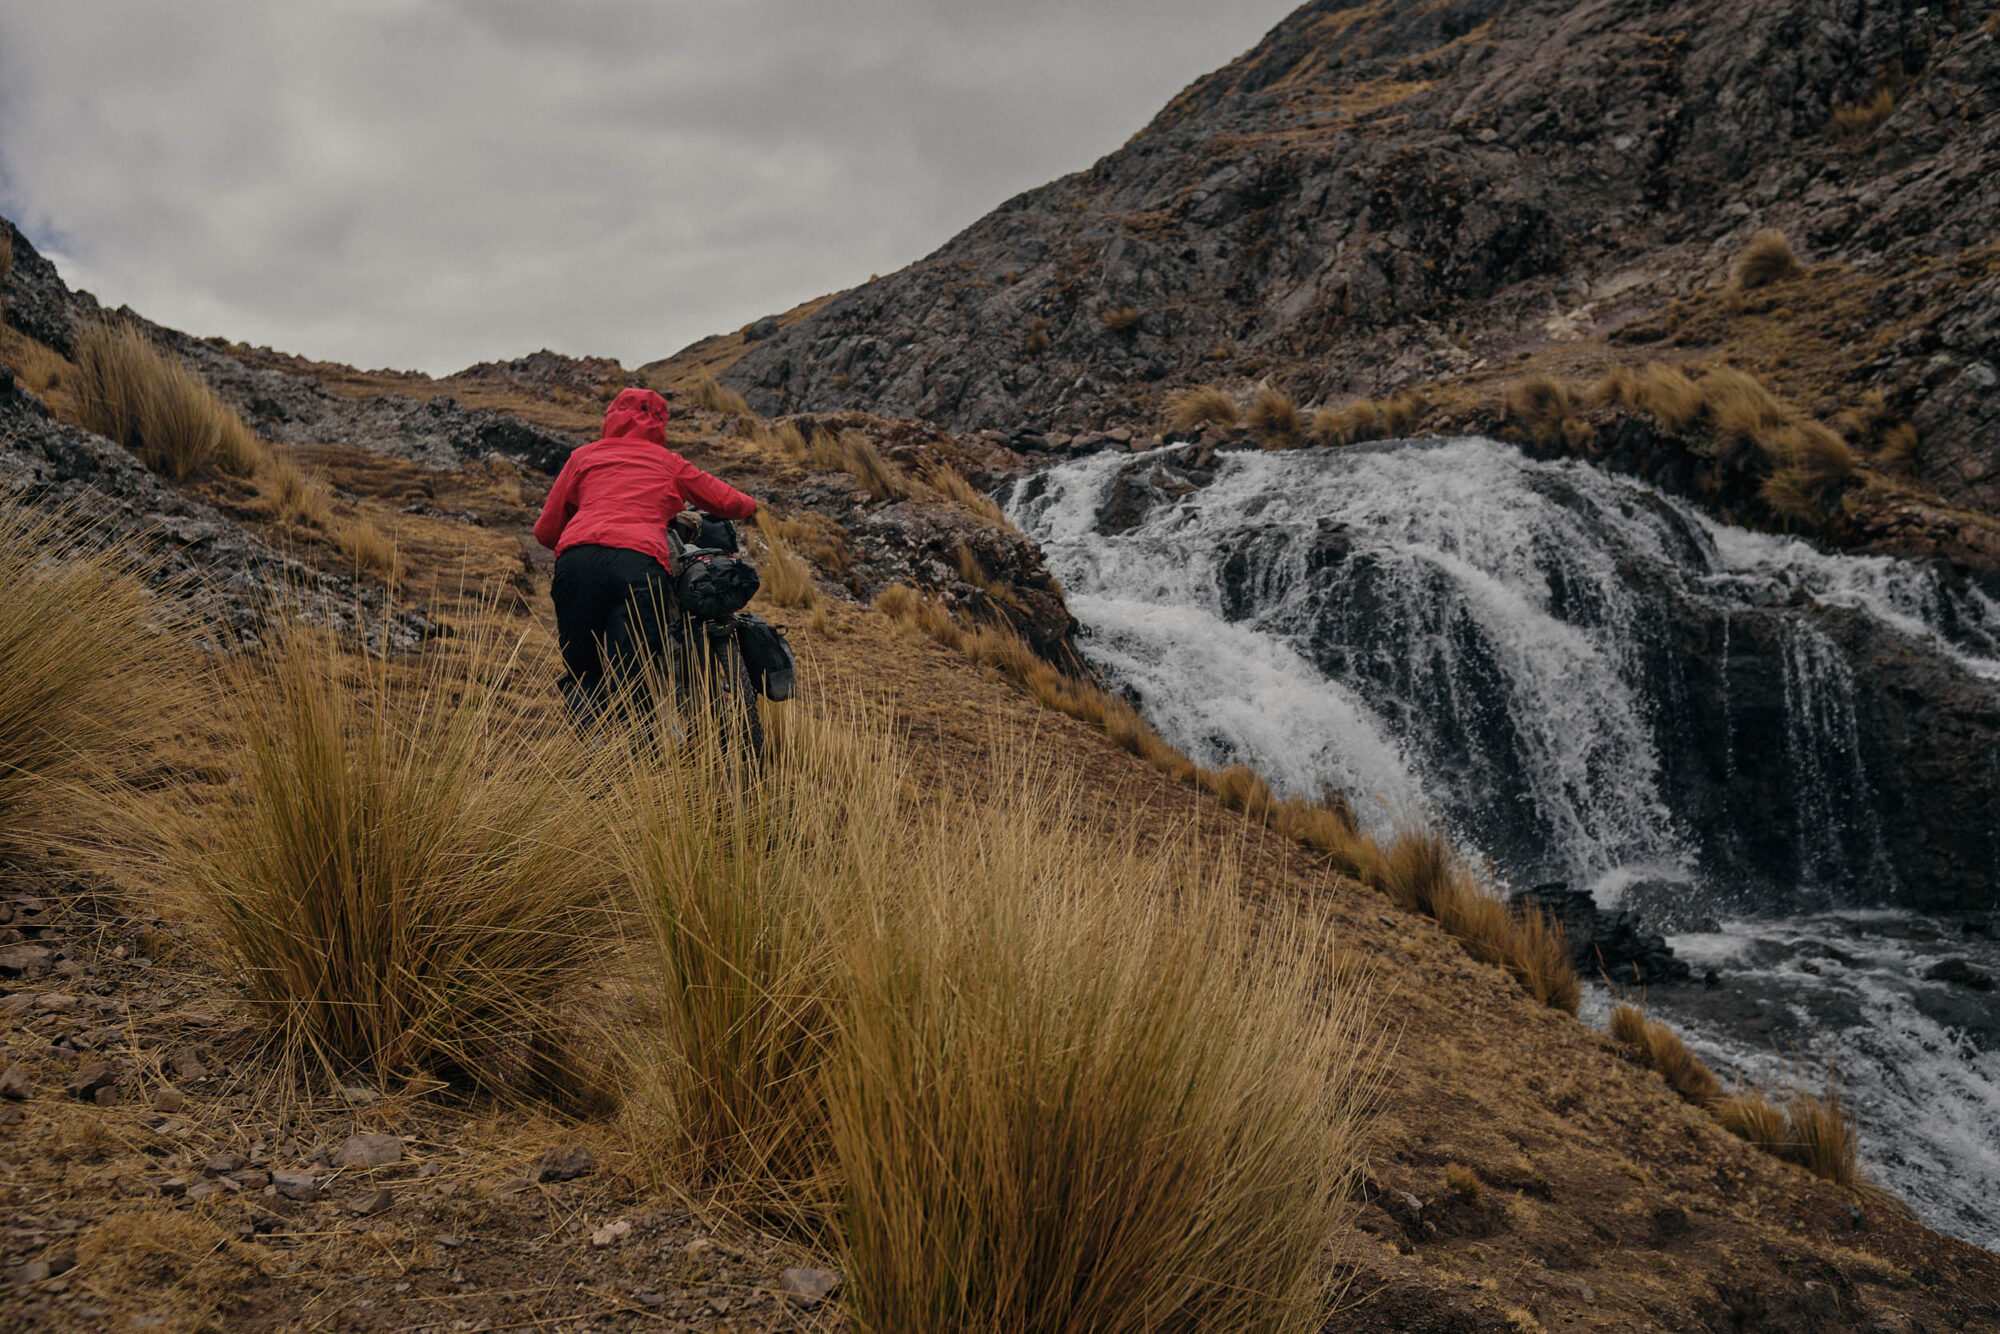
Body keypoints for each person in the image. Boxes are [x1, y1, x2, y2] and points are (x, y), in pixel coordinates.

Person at [533, 386, 758, 724]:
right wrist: (751, 506)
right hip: (638, 566)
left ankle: (590, 749)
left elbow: (545, 533)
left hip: (577, 563)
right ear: (660, 424)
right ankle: (639, 759)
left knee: (582, 668)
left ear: (611, 417)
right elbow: (732, 503)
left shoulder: (583, 457)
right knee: (634, 673)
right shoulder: (668, 462)